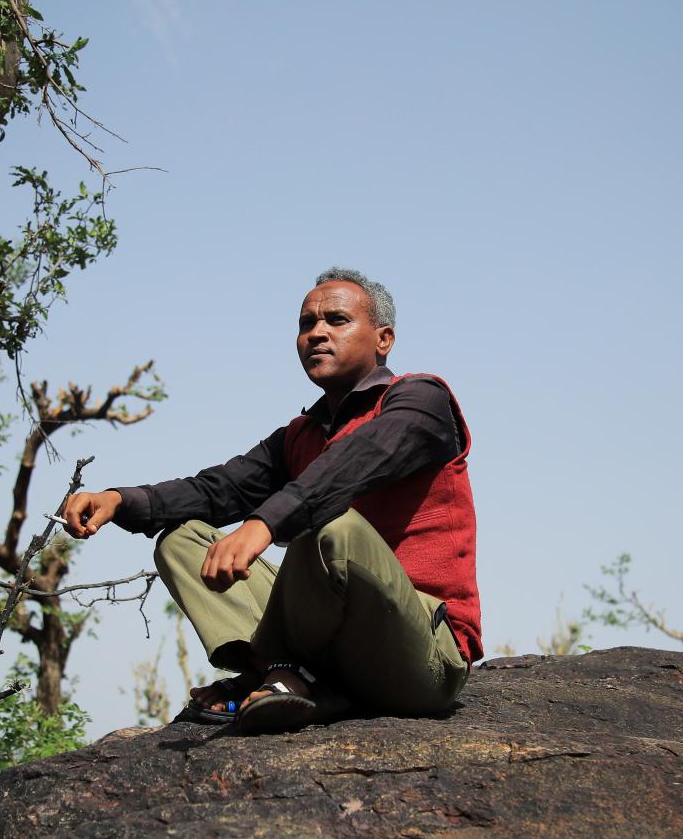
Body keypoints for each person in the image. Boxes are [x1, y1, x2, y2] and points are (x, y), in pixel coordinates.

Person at [61, 268, 481, 733]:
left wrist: (264, 525)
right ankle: (280, 673)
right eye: (306, 324)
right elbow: (217, 489)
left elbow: (356, 461)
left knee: (330, 522)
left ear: (383, 339)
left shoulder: (421, 401)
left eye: (337, 320)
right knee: (181, 540)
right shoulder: (300, 435)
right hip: (335, 656)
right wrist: (119, 499)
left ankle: (289, 675)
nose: (316, 333)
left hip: (422, 656)